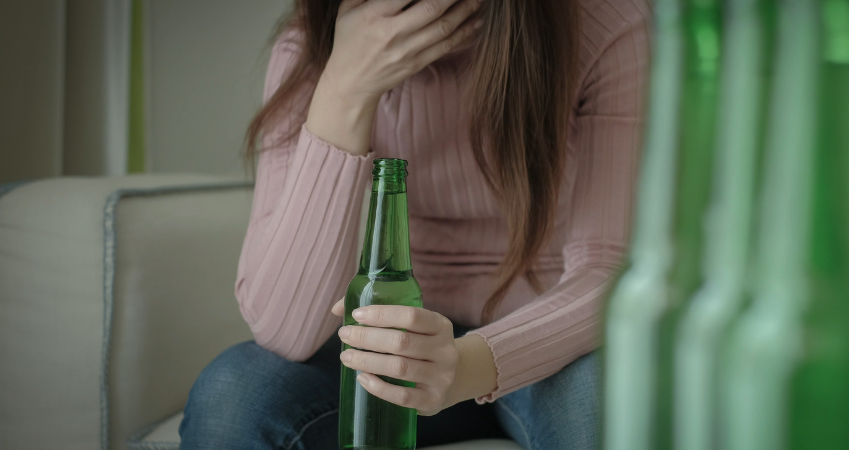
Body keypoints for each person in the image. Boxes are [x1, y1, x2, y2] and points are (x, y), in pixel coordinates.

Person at [179, 0, 649, 448]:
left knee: (604, 405)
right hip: (385, 339)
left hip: (548, 339)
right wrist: (346, 88)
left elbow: (609, 270)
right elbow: (284, 333)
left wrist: (469, 365)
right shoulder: (308, 45)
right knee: (234, 393)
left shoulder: (608, 26)